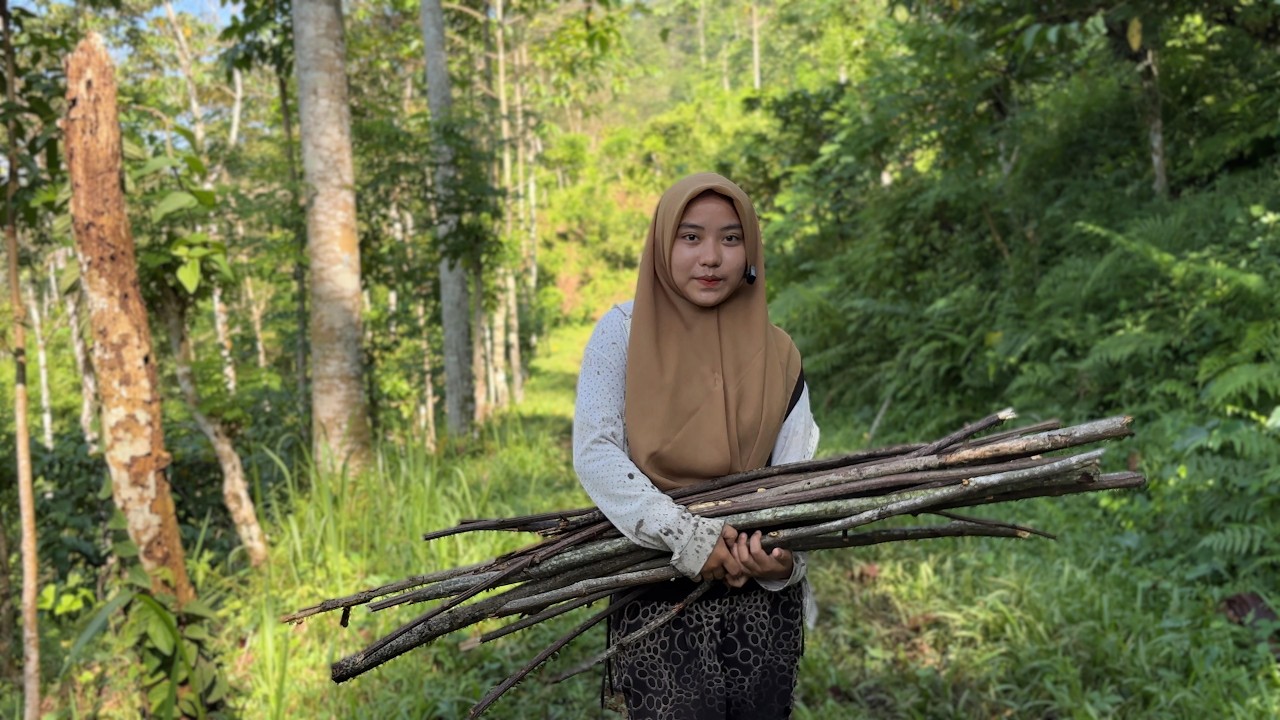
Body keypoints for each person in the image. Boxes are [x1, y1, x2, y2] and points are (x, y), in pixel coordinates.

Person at [572, 172, 820, 719]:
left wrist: (782, 561)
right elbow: (596, 451)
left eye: (731, 239)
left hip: (757, 595)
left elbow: (796, 477)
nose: (711, 257)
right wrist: (687, 536)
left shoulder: (780, 355)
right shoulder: (622, 334)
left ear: (750, 252)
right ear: (663, 245)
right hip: (657, 581)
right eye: (690, 237)